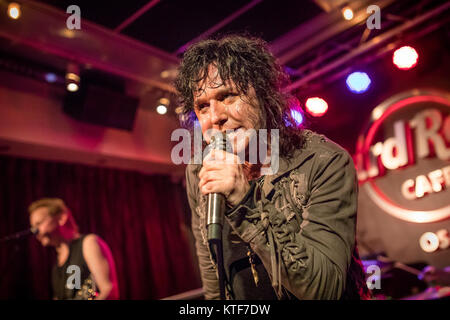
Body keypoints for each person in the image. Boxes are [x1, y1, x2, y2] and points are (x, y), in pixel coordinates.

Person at [175, 35, 370, 300]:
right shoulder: (199, 169)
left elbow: (324, 290)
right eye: (203, 106)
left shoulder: (324, 161)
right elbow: (212, 273)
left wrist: (246, 202)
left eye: (228, 96)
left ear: (262, 93)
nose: (215, 116)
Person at [28, 198, 119, 300]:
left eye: (39, 224)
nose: (35, 232)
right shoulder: (56, 267)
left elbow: (109, 291)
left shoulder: (88, 243)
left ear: (62, 217)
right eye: (33, 228)